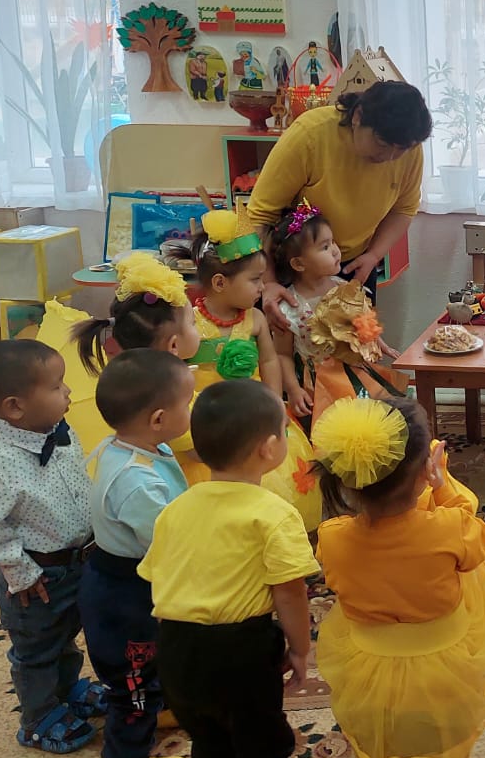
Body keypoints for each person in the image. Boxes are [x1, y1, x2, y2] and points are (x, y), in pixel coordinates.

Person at [314, 397, 485, 758]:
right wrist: (444, 487)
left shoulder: (332, 537)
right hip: (441, 681)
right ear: (424, 472)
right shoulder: (449, 527)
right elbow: (476, 537)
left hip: (369, 681)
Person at [139, 380, 318, 758]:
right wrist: (300, 649)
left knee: (209, 738)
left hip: (176, 646)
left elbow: (157, 579)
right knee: (262, 744)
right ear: (270, 448)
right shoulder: (274, 514)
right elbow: (289, 592)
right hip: (240, 650)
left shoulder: (175, 508)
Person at [0, 339, 106, 753]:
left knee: (67, 634)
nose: (68, 391)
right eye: (57, 386)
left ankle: (67, 690)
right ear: (15, 407)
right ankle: (38, 718)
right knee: (36, 648)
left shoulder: (58, 430)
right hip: (38, 577)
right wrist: (21, 571)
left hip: (80, 559)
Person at [80, 349, 196, 758]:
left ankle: (160, 706)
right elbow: (167, 543)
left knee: (154, 656)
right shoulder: (135, 481)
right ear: (159, 419)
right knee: (131, 680)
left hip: (135, 578)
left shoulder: (138, 446)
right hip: (123, 594)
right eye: (188, 403)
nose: (192, 409)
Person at [247, 81, 432, 319]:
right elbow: (259, 215)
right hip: (293, 267)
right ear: (357, 116)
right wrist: (269, 281)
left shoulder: (407, 147)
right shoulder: (310, 134)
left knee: (355, 337)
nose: (390, 157)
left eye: (402, 149)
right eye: (382, 144)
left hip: (354, 263)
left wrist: (374, 255)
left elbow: (404, 210)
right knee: (290, 338)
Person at [184, 209, 319, 529]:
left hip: (255, 412)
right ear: (220, 283)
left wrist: (274, 399)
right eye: (255, 280)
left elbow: (269, 360)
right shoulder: (191, 324)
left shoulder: (255, 319)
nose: (262, 287)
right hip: (211, 418)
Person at [69, 252, 203, 480]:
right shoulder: (168, 398)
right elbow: (202, 452)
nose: (198, 327)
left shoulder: (142, 382)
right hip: (185, 479)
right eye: (193, 323)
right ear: (173, 345)